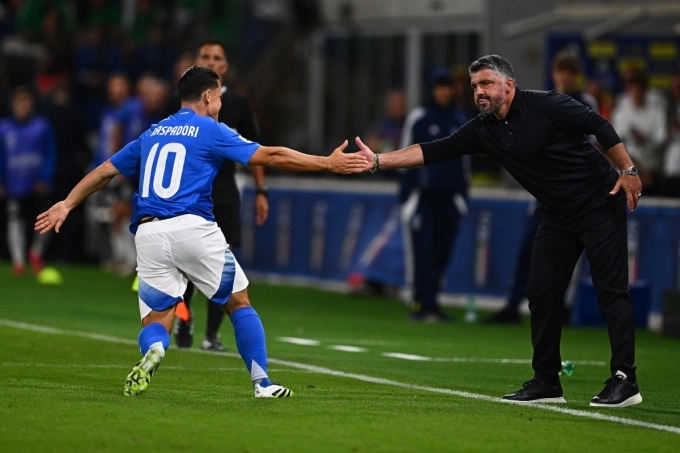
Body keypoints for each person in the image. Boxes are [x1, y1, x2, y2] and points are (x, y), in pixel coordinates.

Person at [35, 65, 367, 398]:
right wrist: (326, 163)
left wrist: (67, 203)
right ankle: (263, 383)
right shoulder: (210, 129)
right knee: (239, 303)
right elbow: (271, 155)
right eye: (219, 96)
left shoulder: (152, 133)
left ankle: (155, 349)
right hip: (192, 228)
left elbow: (105, 171)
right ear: (208, 96)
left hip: (148, 235)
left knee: (156, 319)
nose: (220, 103)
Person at [355, 55, 643, 408]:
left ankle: (625, 379)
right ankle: (547, 382)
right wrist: (378, 160)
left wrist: (628, 170)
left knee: (611, 292)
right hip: (557, 214)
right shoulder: (483, 129)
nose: (479, 91)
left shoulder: (548, 104)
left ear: (509, 85)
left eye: (486, 83)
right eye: (475, 86)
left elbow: (599, 124)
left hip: (599, 201)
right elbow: (434, 150)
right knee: (541, 292)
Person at [161, 39, 268, 352]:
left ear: (225, 66)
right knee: (186, 263)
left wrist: (261, 191)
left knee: (223, 262)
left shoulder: (237, 103)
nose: (211, 60)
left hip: (223, 192)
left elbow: (256, 150)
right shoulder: (177, 100)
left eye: (216, 57)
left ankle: (211, 335)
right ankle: (184, 317)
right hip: (188, 193)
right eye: (205, 56)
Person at [487, 51, 596, 325]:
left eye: (570, 72)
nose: (565, 76)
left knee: (568, 255)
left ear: (576, 76)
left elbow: (590, 143)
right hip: (544, 190)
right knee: (529, 249)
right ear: (554, 73)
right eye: (561, 71)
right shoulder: (541, 101)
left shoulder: (584, 103)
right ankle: (513, 304)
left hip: (574, 193)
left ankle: (563, 309)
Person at [399, 68, 469, 322]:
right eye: (439, 86)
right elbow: (403, 155)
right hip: (422, 198)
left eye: (447, 86)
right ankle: (419, 302)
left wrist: (462, 199)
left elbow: (465, 162)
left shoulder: (460, 120)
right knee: (422, 252)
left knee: (442, 252)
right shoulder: (419, 118)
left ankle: (432, 301)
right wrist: (407, 197)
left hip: (449, 199)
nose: (444, 92)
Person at [0, 86, 56, 275]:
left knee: (46, 219)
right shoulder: (4, 128)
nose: (24, 105)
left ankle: (36, 253)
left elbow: (50, 154)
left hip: (37, 184)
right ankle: (18, 261)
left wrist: (45, 178)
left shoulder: (42, 126)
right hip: (14, 184)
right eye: (20, 101)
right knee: (14, 219)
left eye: (27, 101)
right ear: (13, 104)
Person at [612, 70, 667, 194]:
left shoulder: (656, 110)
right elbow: (616, 143)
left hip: (651, 171)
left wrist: (645, 138)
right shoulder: (622, 110)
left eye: (639, 87)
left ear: (645, 89)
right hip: (627, 172)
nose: (637, 91)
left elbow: (661, 140)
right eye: (633, 87)